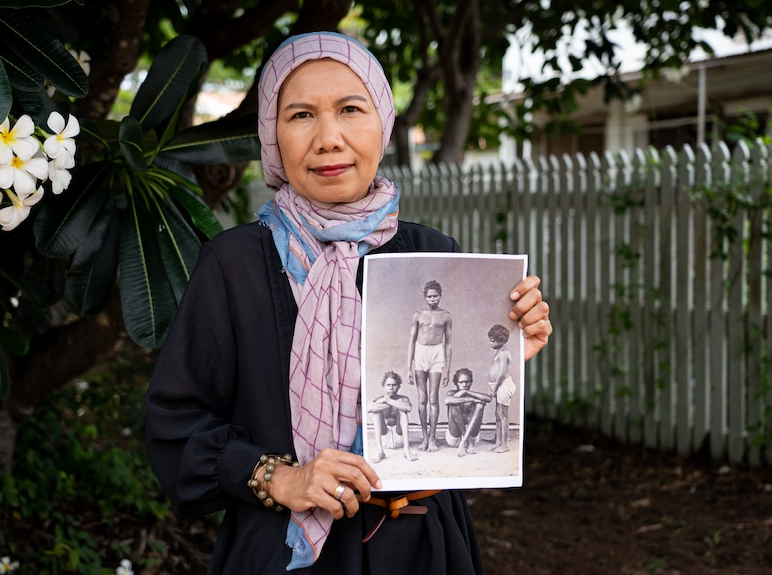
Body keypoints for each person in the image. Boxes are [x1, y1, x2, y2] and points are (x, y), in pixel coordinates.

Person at [145, 31, 552, 575]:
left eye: (350, 109)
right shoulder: (234, 263)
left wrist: (505, 349)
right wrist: (281, 478)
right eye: (300, 115)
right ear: (272, 136)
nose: (329, 138)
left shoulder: (433, 254)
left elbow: (460, 425)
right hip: (283, 552)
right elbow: (176, 421)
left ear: (382, 122)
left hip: (421, 547)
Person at [406, 280, 452, 453]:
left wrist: (447, 369)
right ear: (425, 297)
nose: (433, 299)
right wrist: (408, 367)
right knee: (422, 399)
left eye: (435, 296)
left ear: (440, 296)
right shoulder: (418, 315)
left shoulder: (446, 316)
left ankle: (433, 438)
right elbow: (411, 341)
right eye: (429, 296)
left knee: (433, 398)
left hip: (436, 353)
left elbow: (448, 344)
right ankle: (424, 437)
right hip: (420, 352)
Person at [367, 371, 417, 463]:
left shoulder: (403, 398)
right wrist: (390, 402)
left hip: (399, 436)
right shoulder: (379, 397)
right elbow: (369, 408)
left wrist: (387, 400)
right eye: (388, 385)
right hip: (384, 437)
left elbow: (408, 408)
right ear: (384, 386)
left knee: (402, 410)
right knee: (376, 411)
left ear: (399, 386)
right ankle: (380, 450)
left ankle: (406, 449)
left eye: (394, 385)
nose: (391, 388)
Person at [444, 368, 492, 457]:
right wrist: (472, 399)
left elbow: (488, 398)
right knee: (455, 404)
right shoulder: (452, 393)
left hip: (472, 434)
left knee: (480, 405)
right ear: (456, 383)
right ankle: (467, 441)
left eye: (467, 382)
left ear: (471, 382)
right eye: (461, 382)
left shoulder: (472, 393)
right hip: (455, 436)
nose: (464, 384)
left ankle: (465, 440)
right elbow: (447, 400)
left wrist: (466, 392)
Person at [487, 324, 516, 453]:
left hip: (504, 384)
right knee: (497, 415)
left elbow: (502, 373)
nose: (490, 343)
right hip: (498, 385)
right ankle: (498, 441)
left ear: (501, 340)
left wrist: (495, 388)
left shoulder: (504, 353)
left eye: (492, 341)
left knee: (503, 416)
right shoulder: (498, 352)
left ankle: (505, 445)